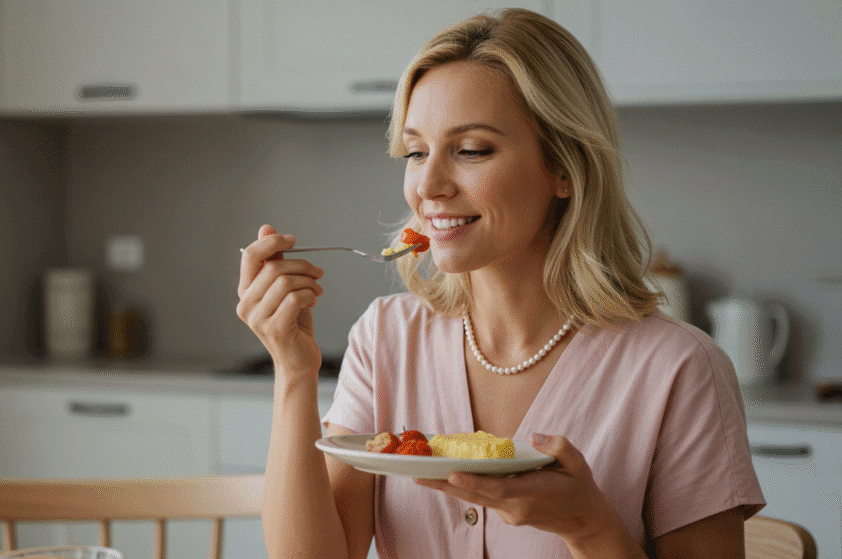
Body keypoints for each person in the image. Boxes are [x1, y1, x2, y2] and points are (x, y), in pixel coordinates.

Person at [236, 8, 764, 559]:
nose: (429, 187)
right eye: (416, 152)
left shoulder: (679, 369)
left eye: (471, 150)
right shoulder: (386, 337)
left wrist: (589, 528)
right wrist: (293, 371)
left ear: (564, 168)